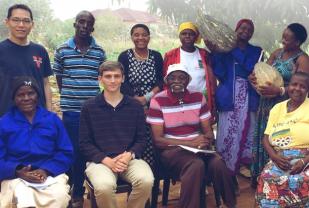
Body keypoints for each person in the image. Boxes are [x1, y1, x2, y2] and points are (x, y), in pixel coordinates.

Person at [147, 64, 236, 208]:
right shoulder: (158, 101)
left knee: (218, 163)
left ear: (187, 81)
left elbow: (207, 132)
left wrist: (205, 139)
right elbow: (158, 140)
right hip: (171, 151)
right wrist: (190, 144)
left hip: (198, 148)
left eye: (182, 78)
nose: (177, 81)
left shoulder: (198, 97)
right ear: (167, 81)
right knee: (195, 164)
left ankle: (230, 204)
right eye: (173, 78)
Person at [79, 61, 154, 208]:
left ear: (123, 78)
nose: (113, 81)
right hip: (100, 161)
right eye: (108, 76)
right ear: (100, 79)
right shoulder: (89, 107)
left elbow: (142, 139)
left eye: (116, 76)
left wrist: (129, 155)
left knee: (146, 180)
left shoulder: (135, 106)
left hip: (129, 159)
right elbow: (84, 143)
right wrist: (106, 160)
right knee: (104, 186)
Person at [53, 10, 106, 206]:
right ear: (75, 24)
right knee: (73, 150)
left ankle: (89, 188)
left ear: (92, 27)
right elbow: (59, 77)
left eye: (88, 23)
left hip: (94, 112)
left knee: (90, 150)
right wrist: (70, 96)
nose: (84, 26)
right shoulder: (62, 50)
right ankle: (75, 191)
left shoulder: (99, 51)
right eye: (81, 22)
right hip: (72, 111)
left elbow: (102, 77)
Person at [0, 76, 73, 208]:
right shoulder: (4, 123)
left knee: (59, 197)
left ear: (38, 96)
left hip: (51, 175)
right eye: (20, 95)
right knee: (24, 199)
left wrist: (45, 170)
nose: (26, 98)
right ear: (14, 98)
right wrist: (17, 171)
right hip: (16, 177)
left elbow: (66, 152)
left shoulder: (52, 120)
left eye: (30, 93)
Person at [251, 23, 309, 187]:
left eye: (287, 38)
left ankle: (283, 179)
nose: (282, 40)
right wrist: (255, 78)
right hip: (267, 103)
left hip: (286, 103)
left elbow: (302, 86)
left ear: (297, 42)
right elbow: (263, 71)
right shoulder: (277, 53)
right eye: (283, 36)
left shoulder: (302, 59)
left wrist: (279, 90)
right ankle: (263, 177)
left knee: (281, 138)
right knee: (266, 137)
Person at [206, 19, 262, 182]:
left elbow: (251, 67)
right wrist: (217, 53)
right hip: (229, 96)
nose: (246, 31)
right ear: (236, 29)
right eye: (242, 28)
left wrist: (232, 49)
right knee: (227, 132)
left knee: (249, 130)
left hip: (249, 96)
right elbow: (220, 73)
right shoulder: (224, 50)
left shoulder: (256, 51)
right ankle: (225, 168)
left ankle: (243, 166)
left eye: (250, 29)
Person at [256, 72, 309, 207]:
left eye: (302, 86)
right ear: (288, 86)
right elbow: (266, 138)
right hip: (280, 157)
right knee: (267, 177)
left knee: (302, 180)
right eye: (294, 84)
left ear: (307, 90)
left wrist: (303, 161)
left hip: (306, 157)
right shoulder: (277, 108)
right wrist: (274, 157)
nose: (297, 88)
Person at [118, 23, 163, 167]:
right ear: (131, 37)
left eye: (144, 34)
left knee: (153, 138)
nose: (140, 38)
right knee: (134, 137)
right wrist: (136, 100)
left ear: (149, 37)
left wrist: (146, 98)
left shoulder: (156, 56)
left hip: (154, 103)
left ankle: (154, 181)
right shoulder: (124, 56)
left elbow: (161, 81)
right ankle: (134, 175)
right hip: (130, 103)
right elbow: (122, 81)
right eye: (136, 35)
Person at [0, 4, 53, 116]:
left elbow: (45, 83)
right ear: (7, 22)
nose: (21, 25)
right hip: (6, 117)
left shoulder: (40, 51)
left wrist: (49, 111)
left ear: (32, 24)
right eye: (16, 20)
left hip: (37, 117)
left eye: (26, 21)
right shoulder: (1, 50)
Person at [163, 21, 217, 120]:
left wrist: (213, 103)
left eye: (191, 34)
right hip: (179, 101)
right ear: (179, 36)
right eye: (184, 33)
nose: (187, 36)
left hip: (202, 102)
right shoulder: (171, 55)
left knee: (202, 129)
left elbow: (211, 80)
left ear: (196, 36)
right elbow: (166, 81)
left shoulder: (204, 54)